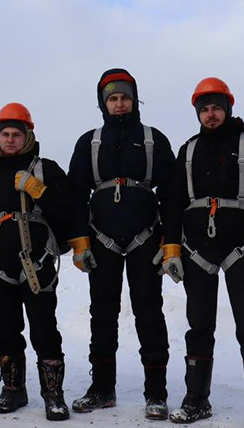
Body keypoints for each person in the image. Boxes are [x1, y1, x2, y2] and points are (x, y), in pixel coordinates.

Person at [161, 77, 244, 428]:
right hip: (197, 249)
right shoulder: (188, 150)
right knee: (198, 325)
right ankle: (197, 400)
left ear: (228, 108)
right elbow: (173, 202)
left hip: (242, 248)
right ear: (197, 113)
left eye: (216, 108)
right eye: (204, 109)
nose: (211, 114)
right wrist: (170, 248)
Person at [67, 68, 175, 420]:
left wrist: (171, 242)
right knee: (102, 313)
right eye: (112, 98)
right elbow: (74, 195)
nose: (118, 103)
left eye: (124, 97)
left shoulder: (153, 139)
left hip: (145, 238)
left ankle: (156, 393)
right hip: (101, 239)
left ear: (134, 99)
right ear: (103, 102)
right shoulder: (89, 142)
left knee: (149, 312)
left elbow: (173, 194)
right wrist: (80, 239)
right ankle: (102, 388)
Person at [0, 103, 76, 421]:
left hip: (38, 264)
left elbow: (68, 210)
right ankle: (14, 389)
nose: (11, 139)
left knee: (45, 329)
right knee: (6, 328)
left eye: (17, 134)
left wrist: (38, 190)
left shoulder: (46, 169)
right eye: (5, 134)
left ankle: (53, 394)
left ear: (28, 135)